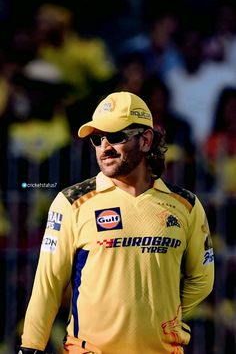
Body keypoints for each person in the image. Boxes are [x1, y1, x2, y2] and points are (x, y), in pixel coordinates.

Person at [19, 91, 214, 354]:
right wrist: (31, 348)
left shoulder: (186, 205)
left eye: (115, 136)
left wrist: (159, 313)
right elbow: (48, 284)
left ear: (146, 140)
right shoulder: (71, 202)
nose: (104, 147)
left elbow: (202, 280)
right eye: (97, 139)